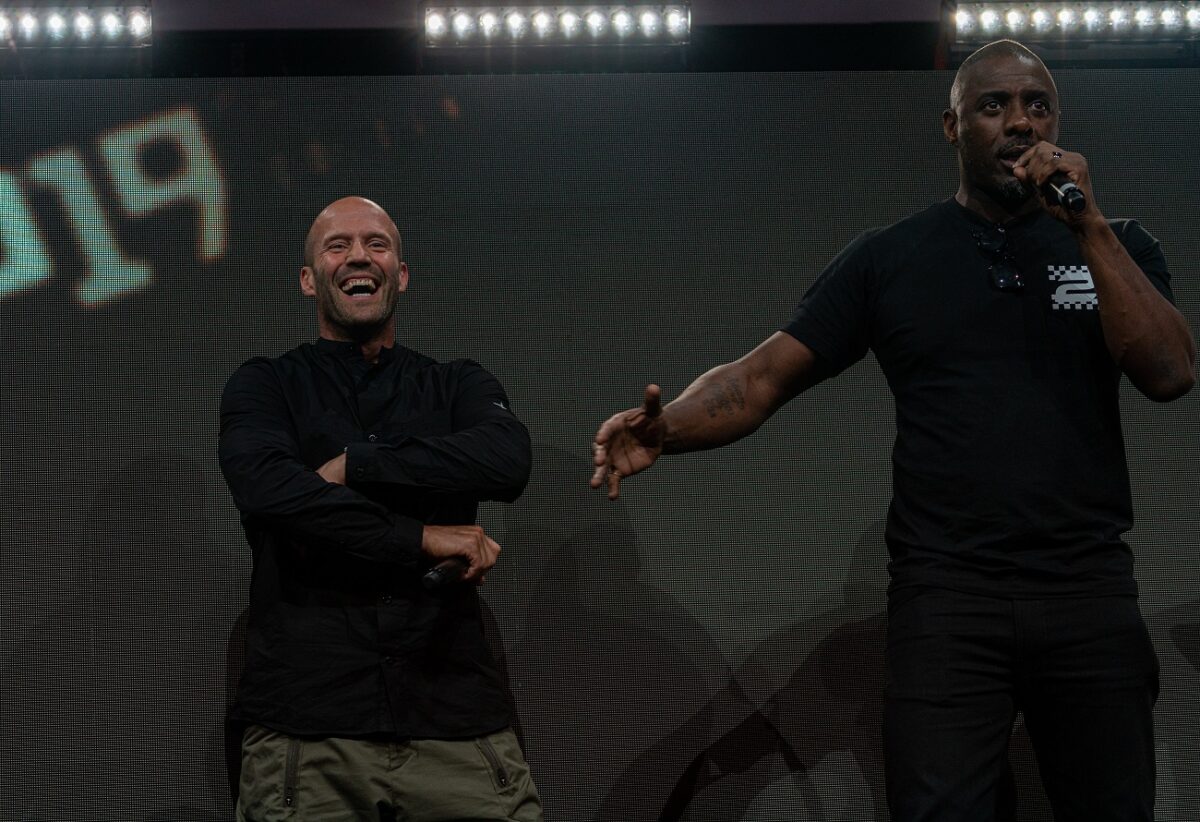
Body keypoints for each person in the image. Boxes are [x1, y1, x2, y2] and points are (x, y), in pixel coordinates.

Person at [590, 40, 1194, 822]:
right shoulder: (891, 258)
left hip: (1086, 590)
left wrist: (1089, 226)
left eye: (1038, 106)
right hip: (949, 601)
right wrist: (666, 429)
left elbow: (1169, 373)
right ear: (952, 126)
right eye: (993, 105)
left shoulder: (1119, 246)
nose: (1020, 122)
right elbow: (760, 377)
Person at [219, 196, 543, 821]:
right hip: (307, 734)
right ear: (309, 279)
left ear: (402, 273)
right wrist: (421, 536)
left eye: (377, 244)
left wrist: (358, 465)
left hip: (455, 724)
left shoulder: (458, 384)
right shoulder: (264, 385)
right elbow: (271, 491)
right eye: (337, 246)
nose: (359, 256)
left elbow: (507, 460)